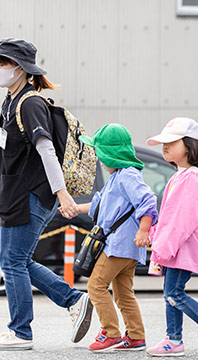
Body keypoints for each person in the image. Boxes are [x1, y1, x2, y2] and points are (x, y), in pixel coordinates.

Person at [0, 38, 93, 350]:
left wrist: (63, 194)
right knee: (17, 260)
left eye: (4, 63)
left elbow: (46, 150)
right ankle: (74, 301)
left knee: (12, 261)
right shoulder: (10, 103)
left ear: (22, 70)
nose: (0, 69)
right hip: (16, 194)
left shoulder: (31, 104)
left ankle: (21, 332)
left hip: (32, 195)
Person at [145, 117, 198, 357]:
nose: (165, 147)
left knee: (174, 293)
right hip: (174, 247)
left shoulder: (192, 177)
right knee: (169, 293)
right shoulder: (181, 176)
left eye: (172, 142)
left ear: (191, 146)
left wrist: (163, 246)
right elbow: (170, 216)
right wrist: (158, 238)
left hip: (180, 247)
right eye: (164, 143)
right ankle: (173, 340)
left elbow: (184, 220)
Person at [75, 123, 158, 352]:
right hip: (126, 248)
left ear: (112, 154)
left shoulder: (127, 176)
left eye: (101, 153)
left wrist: (144, 230)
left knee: (95, 286)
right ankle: (136, 336)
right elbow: (99, 204)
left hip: (119, 246)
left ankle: (110, 332)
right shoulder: (118, 177)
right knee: (123, 294)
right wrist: (74, 208)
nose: (100, 159)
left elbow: (148, 201)